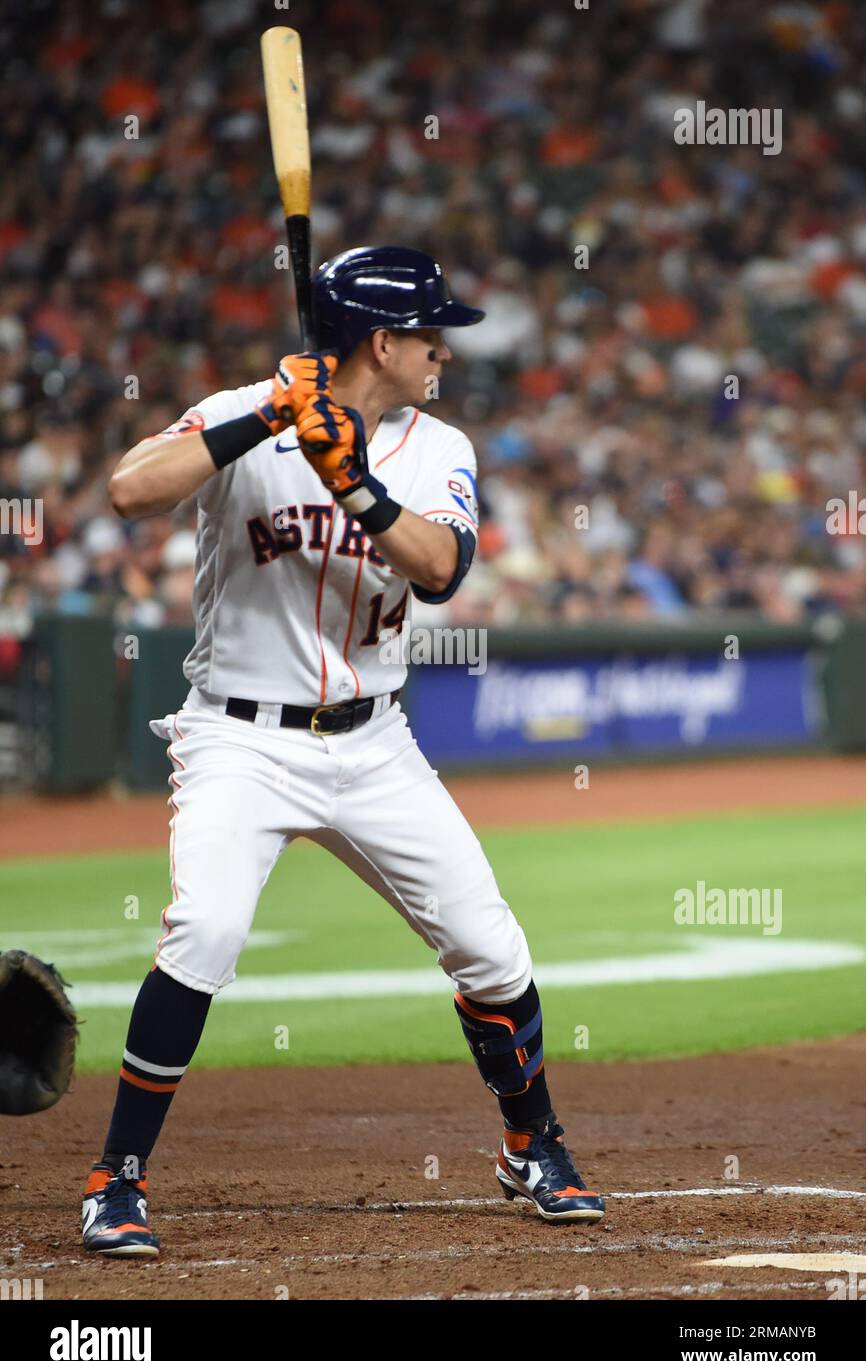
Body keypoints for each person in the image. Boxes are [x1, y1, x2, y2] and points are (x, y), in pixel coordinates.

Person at [81, 246, 605, 1257]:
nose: (441, 350)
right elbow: (128, 490)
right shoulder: (251, 407)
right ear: (380, 341)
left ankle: (530, 1141)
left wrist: (351, 481)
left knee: (488, 945)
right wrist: (268, 419)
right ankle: (117, 1177)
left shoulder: (439, 446)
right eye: (426, 332)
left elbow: (442, 569)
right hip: (240, 736)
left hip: (374, 742)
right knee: (205, 932)